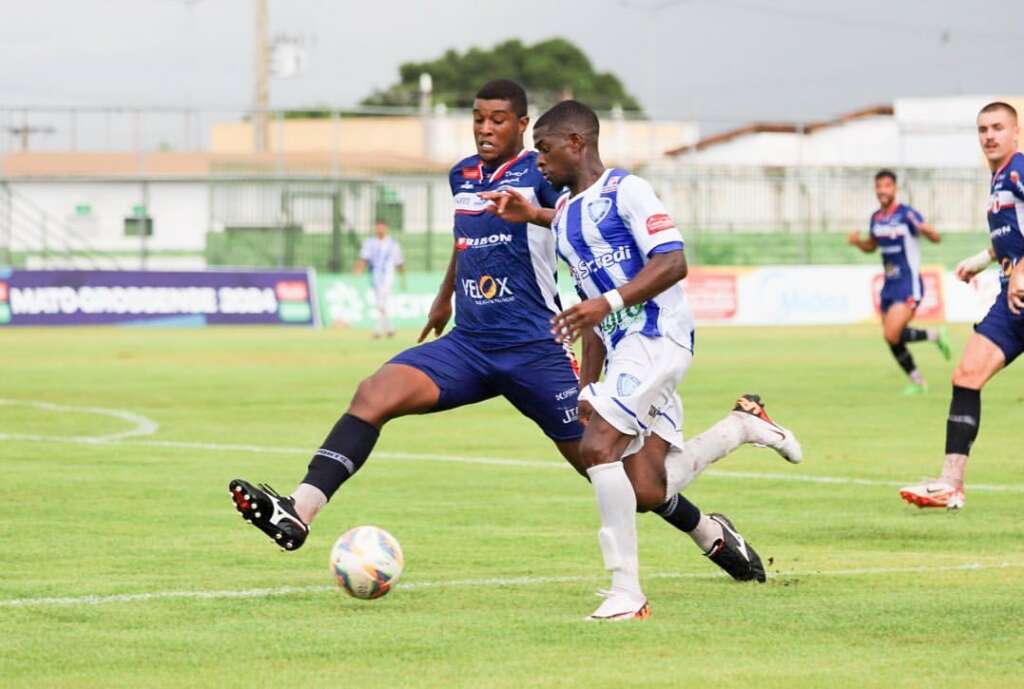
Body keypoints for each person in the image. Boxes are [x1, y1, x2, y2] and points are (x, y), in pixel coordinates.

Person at [228, 80, 780, 590]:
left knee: (629, 483)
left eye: (497, 120)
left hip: (536, 350)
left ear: (522, 125)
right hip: (469, 343)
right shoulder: (462, 175)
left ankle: (709, 531)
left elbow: (579, 209)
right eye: (477, 119)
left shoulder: (545, 170)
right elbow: (464, 238)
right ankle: (299, 512)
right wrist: (446, 294)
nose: (484, 129)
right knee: (373, 393)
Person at [484, 99, 802, 620]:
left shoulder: (626, 190)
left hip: (659, 337)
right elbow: (589, 320)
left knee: (597, 449)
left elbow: (673, 261)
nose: (538, 161)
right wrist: (587, 387)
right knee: (647, 488)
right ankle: (740, 428)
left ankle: (627, 593)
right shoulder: (563, 216)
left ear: (577, 143)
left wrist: (605, 305)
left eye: (544, 149)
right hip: (623, 349)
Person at [900, 101, 1024, 510]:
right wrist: (984, 259)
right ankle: (951, 483)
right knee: (966, 375)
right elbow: (1010, 231)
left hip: (1018, 288)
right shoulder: (1000, 178)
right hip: (1013, 301)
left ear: (1016, 131)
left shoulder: (1020, 169)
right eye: (983, 129)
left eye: (998, 128)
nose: (989, 136)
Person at [847, 170, 950, 394]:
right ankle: (919, 379)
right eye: (879, 186)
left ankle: (931, 345)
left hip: (908, 284)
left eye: (887, 186)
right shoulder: (876, 218)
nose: (883, 190)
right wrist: (857, 243)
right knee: (892, 337)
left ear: (895, 188)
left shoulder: (907, 214)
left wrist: (927, 230)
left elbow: (935, 237)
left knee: (891, 334)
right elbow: (872, 247)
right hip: (889, 285)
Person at [353, 219, 406, 338]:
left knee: (382, 299)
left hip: (388, 275)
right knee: (381, 301)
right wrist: (359, 268)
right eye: (378, 227)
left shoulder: (392, 243)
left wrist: (402, 274)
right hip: (375, 275)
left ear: (386, 228)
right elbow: (364, 258)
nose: (380, 229)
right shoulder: (370, 242)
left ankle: (378, 328)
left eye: (382, 227)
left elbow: (399, 260)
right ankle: (389, 327)